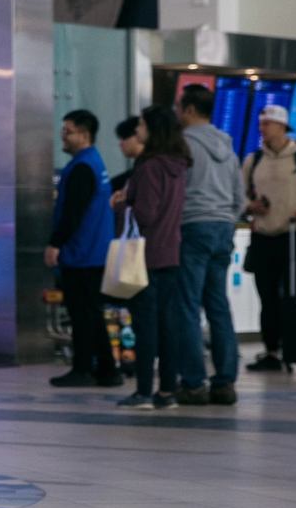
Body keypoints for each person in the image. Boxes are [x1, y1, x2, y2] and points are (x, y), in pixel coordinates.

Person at [241, 103, 296, 372]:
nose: (263, 129)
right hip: (263, 236)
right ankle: (271, 351)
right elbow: (239, 194)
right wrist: (250, 208)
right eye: (261, 124)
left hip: (292, 238)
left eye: (267, 124)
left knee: (292, 296)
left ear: (281, 127)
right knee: (266, 297)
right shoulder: (253, 160)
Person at [112, 104, 189, 410]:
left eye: (142, 125)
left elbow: (145, 213)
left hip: (145, 256)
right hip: (171, 252)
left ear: (153, 130)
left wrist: (121, 203)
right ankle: (167, 390)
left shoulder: (149, 167)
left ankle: (143, 390)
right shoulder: (178, 164)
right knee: (168, 326)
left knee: (146, 327)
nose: (138, 129)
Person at [172, 86, 241, 404]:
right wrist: (225, 218)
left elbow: (176, 193)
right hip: (223, 229)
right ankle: (225, 382)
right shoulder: (230, 149)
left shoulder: (182, 145)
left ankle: (194, 383)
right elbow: (240, 198)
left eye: (177, 107)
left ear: (188, 110)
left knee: (187, 306)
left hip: (194, 227)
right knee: (218, 305)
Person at [45, 110, 120, 388]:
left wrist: (55, 243)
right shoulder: (95, 163)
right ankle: (108, 369)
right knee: (92, 312)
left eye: (68, 131)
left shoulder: (81, 168)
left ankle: (82, 368)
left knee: (82, 314)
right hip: (94, 250)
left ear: (84, 134)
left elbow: (72, 213)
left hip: (81, 253)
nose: (63, 137)